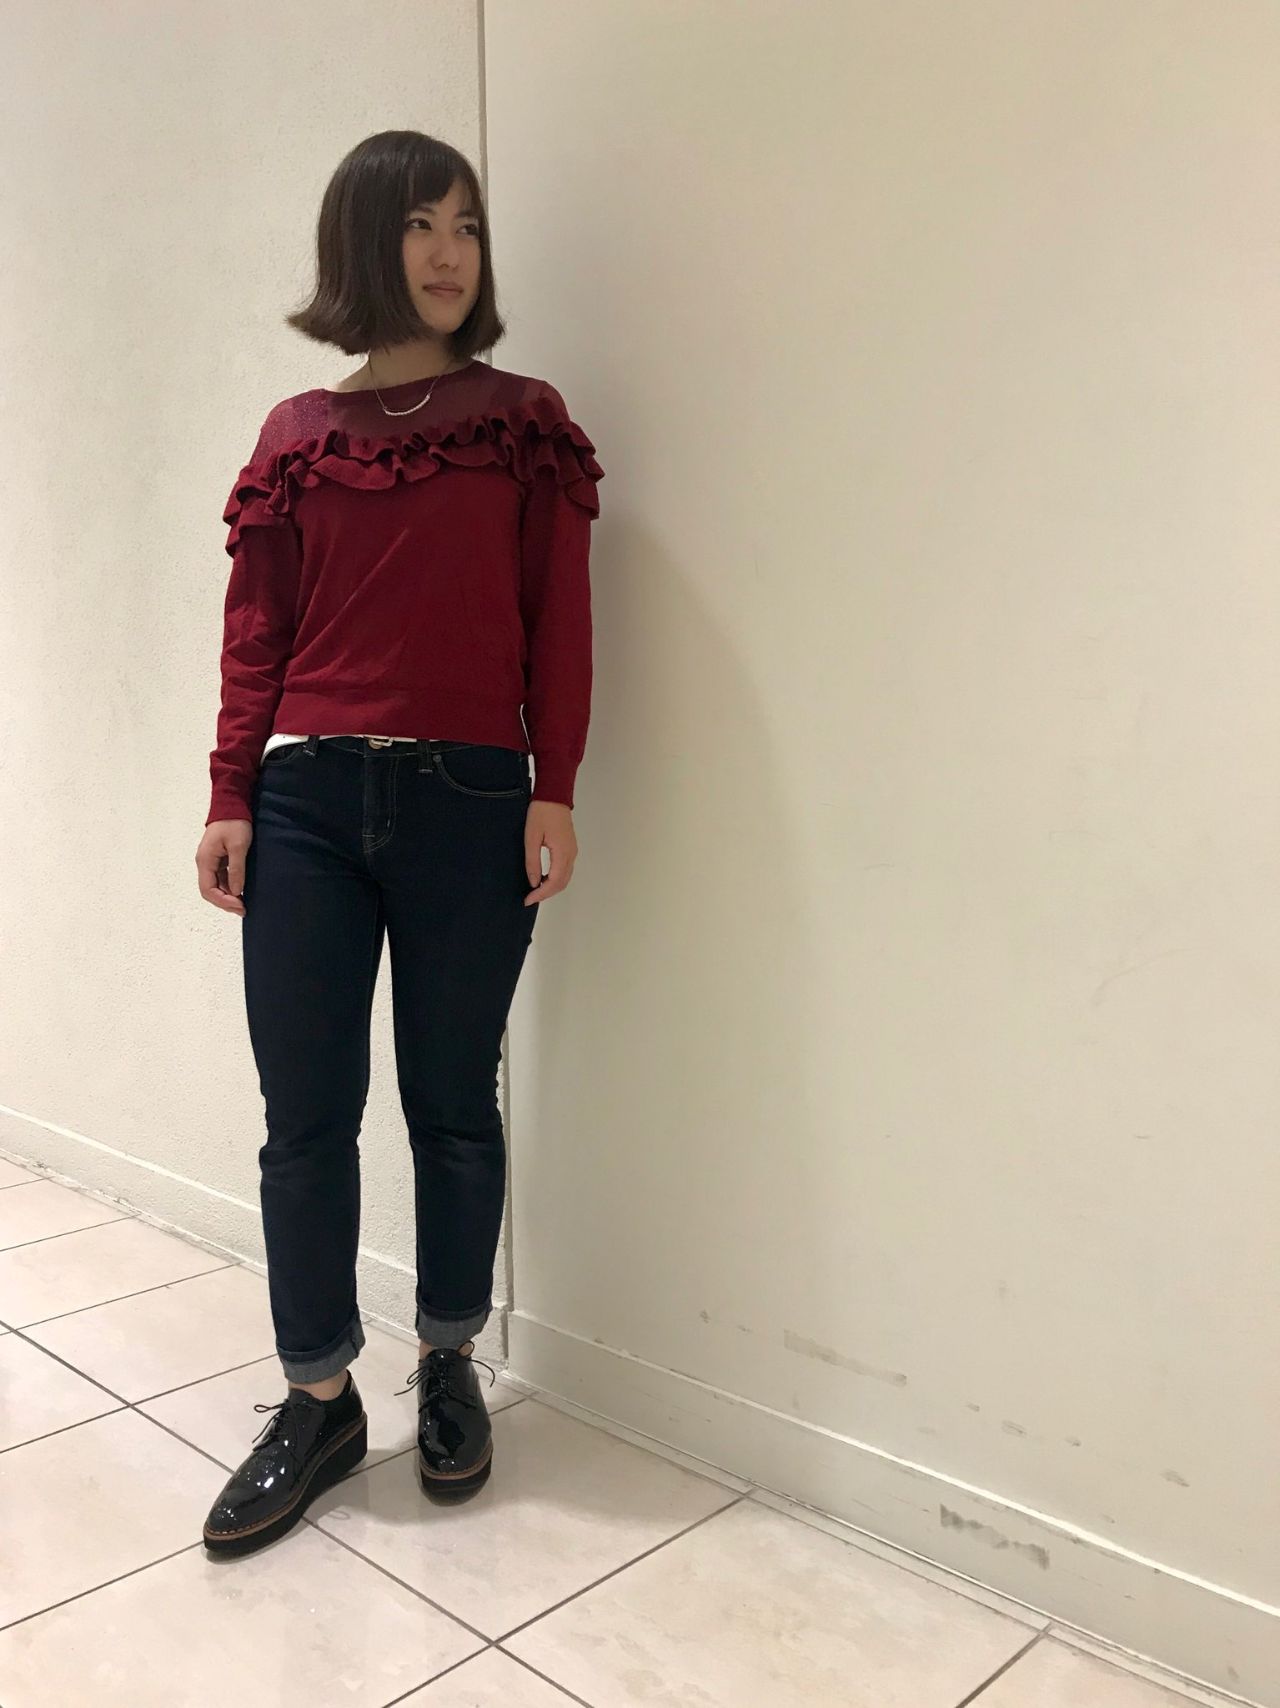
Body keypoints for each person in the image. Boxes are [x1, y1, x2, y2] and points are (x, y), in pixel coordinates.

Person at [194, 130, 604, 1558]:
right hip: (305, 803)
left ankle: (447, 1362)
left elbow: (559, 621)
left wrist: (556, 784)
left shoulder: (522, 419)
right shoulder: (295, 436)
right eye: (420, 223)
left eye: (467, 225)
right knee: (305, 1115)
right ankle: (318, 1399)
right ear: (365, 245)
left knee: (452, 1103)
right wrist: (229, 790)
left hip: (473, 802)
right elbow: (258, 634)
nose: (447, 251)